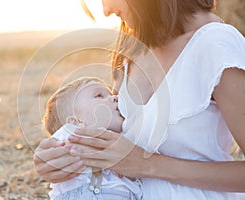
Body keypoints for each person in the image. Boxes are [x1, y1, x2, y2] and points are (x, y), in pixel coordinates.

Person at [34, 0, 245, 199]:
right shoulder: (132, 45)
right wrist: (57, 158)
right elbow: (114, 137)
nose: (106, 10)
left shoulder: (215, 45)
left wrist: (148, 164)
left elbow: (132, 159)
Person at [42, 76, 143, 199]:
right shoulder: (71, 134)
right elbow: (58, 155)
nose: (115, 97)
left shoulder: (126, 138)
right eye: (99, 96)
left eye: (110, 94)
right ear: (75, 122)